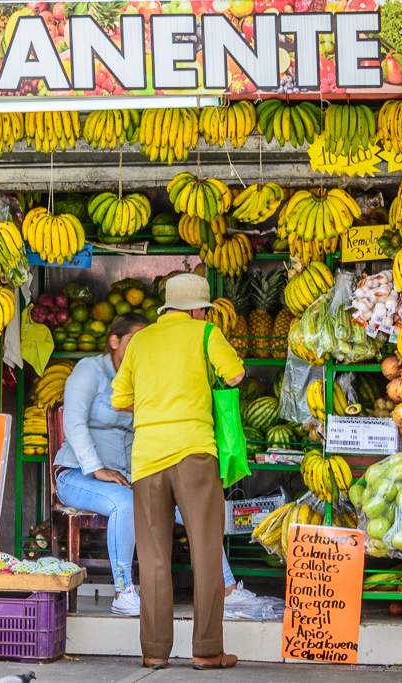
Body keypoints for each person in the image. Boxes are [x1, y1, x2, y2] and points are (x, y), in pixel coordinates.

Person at [53, 314, 245, 617]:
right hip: (77, 475)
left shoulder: (143, 375)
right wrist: (96, 468)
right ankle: (123, 591)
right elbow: (73, 422)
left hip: (127, 475)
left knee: (193, 505)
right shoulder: (90, 370)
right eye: (133, 339)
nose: (141, 345)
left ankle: (228, 588)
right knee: (126, 503)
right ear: (114, 341)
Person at [112, 273, 244, 671]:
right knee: (205, 551)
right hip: (194, 455)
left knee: (153, 559)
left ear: (167, 308)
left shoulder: (141, 341)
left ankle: (154, 651)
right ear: (197, 309)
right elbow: (235, 375)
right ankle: (206, 651)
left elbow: (120, 400)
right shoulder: (205, 334)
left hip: (147, 460)